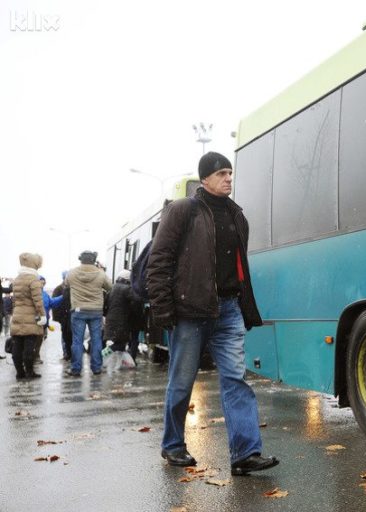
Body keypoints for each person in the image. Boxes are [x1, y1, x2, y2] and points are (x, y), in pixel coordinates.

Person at [147, 151, 277, 475]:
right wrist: (164, 308)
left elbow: (239, 267)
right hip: (191, 310)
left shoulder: (237, 216)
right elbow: (159, 260)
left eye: (230, 173)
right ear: (205, 178)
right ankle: (174, 445)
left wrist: (245, 306)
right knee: (181, 381)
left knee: (236, 378)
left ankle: (245, 454)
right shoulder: (182, 210)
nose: (228, 178)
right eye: (221, 173)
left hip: (229, 309)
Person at [65, 250, 112, 376]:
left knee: (77, 341)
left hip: (78, 310)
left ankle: (76, 369)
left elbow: (66, 285)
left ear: (80, 259)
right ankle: (96, 368)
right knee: (96, 340)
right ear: (93, 260)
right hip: (96, 311)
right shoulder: (100, 273)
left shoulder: (72, 273)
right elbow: (110, 287)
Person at [10, 253, 46, 380]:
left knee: (18, 345)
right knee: (29, 347)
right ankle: (30, 372)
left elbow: (14, 300)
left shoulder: (17, 279)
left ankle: (20, 373)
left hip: (17, 315)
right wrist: (42, 315)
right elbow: (38, 301)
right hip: (30, 317)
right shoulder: (33, 279)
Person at [104, 269, 142, 359]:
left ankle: (120, 362)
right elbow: (137, 299)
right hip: (121, 322)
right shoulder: (126, 289)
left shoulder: (113, 288)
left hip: (112, 320)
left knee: (119, 344)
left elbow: (105, 304)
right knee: (120, 345)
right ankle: (101, 355)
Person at [52, 272, 72, 360]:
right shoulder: (58, 289)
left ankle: (70, 352)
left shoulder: (72, 288)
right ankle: (66, 353)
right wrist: (58, 318)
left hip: (70, 315)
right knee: (65, 335)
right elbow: (55, 304)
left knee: (70, 334)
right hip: (63, 316)